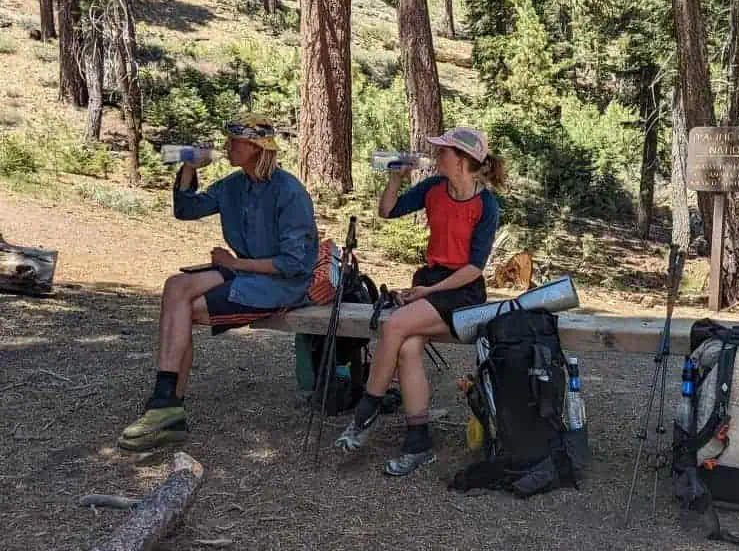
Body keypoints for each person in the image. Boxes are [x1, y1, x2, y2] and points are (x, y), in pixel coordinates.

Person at [117, 115, 318, 451]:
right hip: (245, 271)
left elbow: (293, 264)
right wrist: (189, 169)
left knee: (184, 309)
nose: (226, 147)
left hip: (281, 286)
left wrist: (234, 263)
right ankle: (166, 401)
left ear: (256, 148)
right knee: (175, 287)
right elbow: (187, 210)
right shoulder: (234, 185)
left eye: (233, 142)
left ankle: (168, 405)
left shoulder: (290, 191)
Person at [336, 127, 506, 475]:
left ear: (461, 161)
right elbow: (387, 211)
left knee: (395, 324)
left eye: (444, 151)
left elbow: (475, 268)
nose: (437, 155)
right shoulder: (433, 189)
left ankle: (365, 414)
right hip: (430, 282)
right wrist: (395, 179)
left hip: (462, 291)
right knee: (409, 347)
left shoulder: (486, 205)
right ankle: (418, 441)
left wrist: (427, 292)